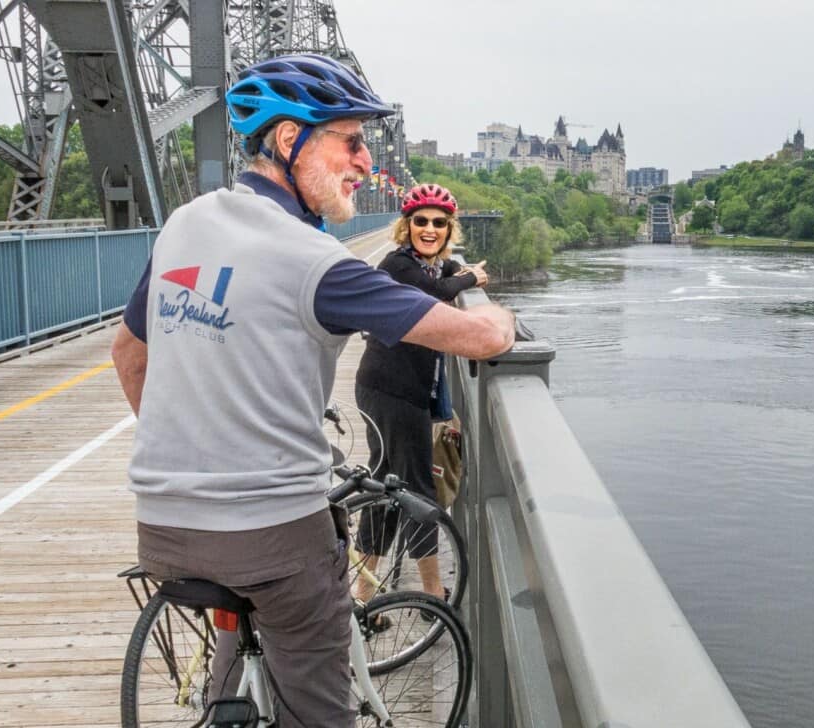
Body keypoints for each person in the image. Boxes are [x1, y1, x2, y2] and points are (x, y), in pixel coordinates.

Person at [110, 54, 514, 728]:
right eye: (351, 140)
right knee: (317, 698)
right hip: (272, 535)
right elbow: (474, 339)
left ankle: (223, 706)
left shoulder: (184, 224)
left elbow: (128, 356)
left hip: (164, 528)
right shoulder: (316, 262)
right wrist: (496, 317)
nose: (364, 162)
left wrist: (189, 463)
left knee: (239, 642)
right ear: (291, 139)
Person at [351, 183, 486, 606]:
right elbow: (430, 297)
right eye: (421, 221)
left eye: (439, 223)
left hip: (389, 388)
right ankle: (431, 591)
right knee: (417, 490)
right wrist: (470, 277)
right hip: (393, 392)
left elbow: (439, 278)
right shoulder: (397, 265)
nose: (430, 229)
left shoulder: (425, 265)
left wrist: (452, 272)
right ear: (406, 226)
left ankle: (362, 591)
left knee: (385, 488)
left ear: (450, 230)